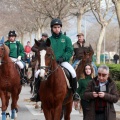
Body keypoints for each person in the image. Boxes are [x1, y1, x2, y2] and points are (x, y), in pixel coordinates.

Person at [30, 18, 80, 102]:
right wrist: (52, 59)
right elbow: (44, 52)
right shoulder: (48, 40)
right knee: (37, 74)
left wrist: (63, 58)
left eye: (58, 27)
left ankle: (75, 93)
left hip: (63, 62)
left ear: (60, 28)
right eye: (55, 27)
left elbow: (69, 51)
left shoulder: (66, 39)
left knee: (73, 72)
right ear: (52, 29)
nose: (57, 29)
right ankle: (36, 94)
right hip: (50, 63)